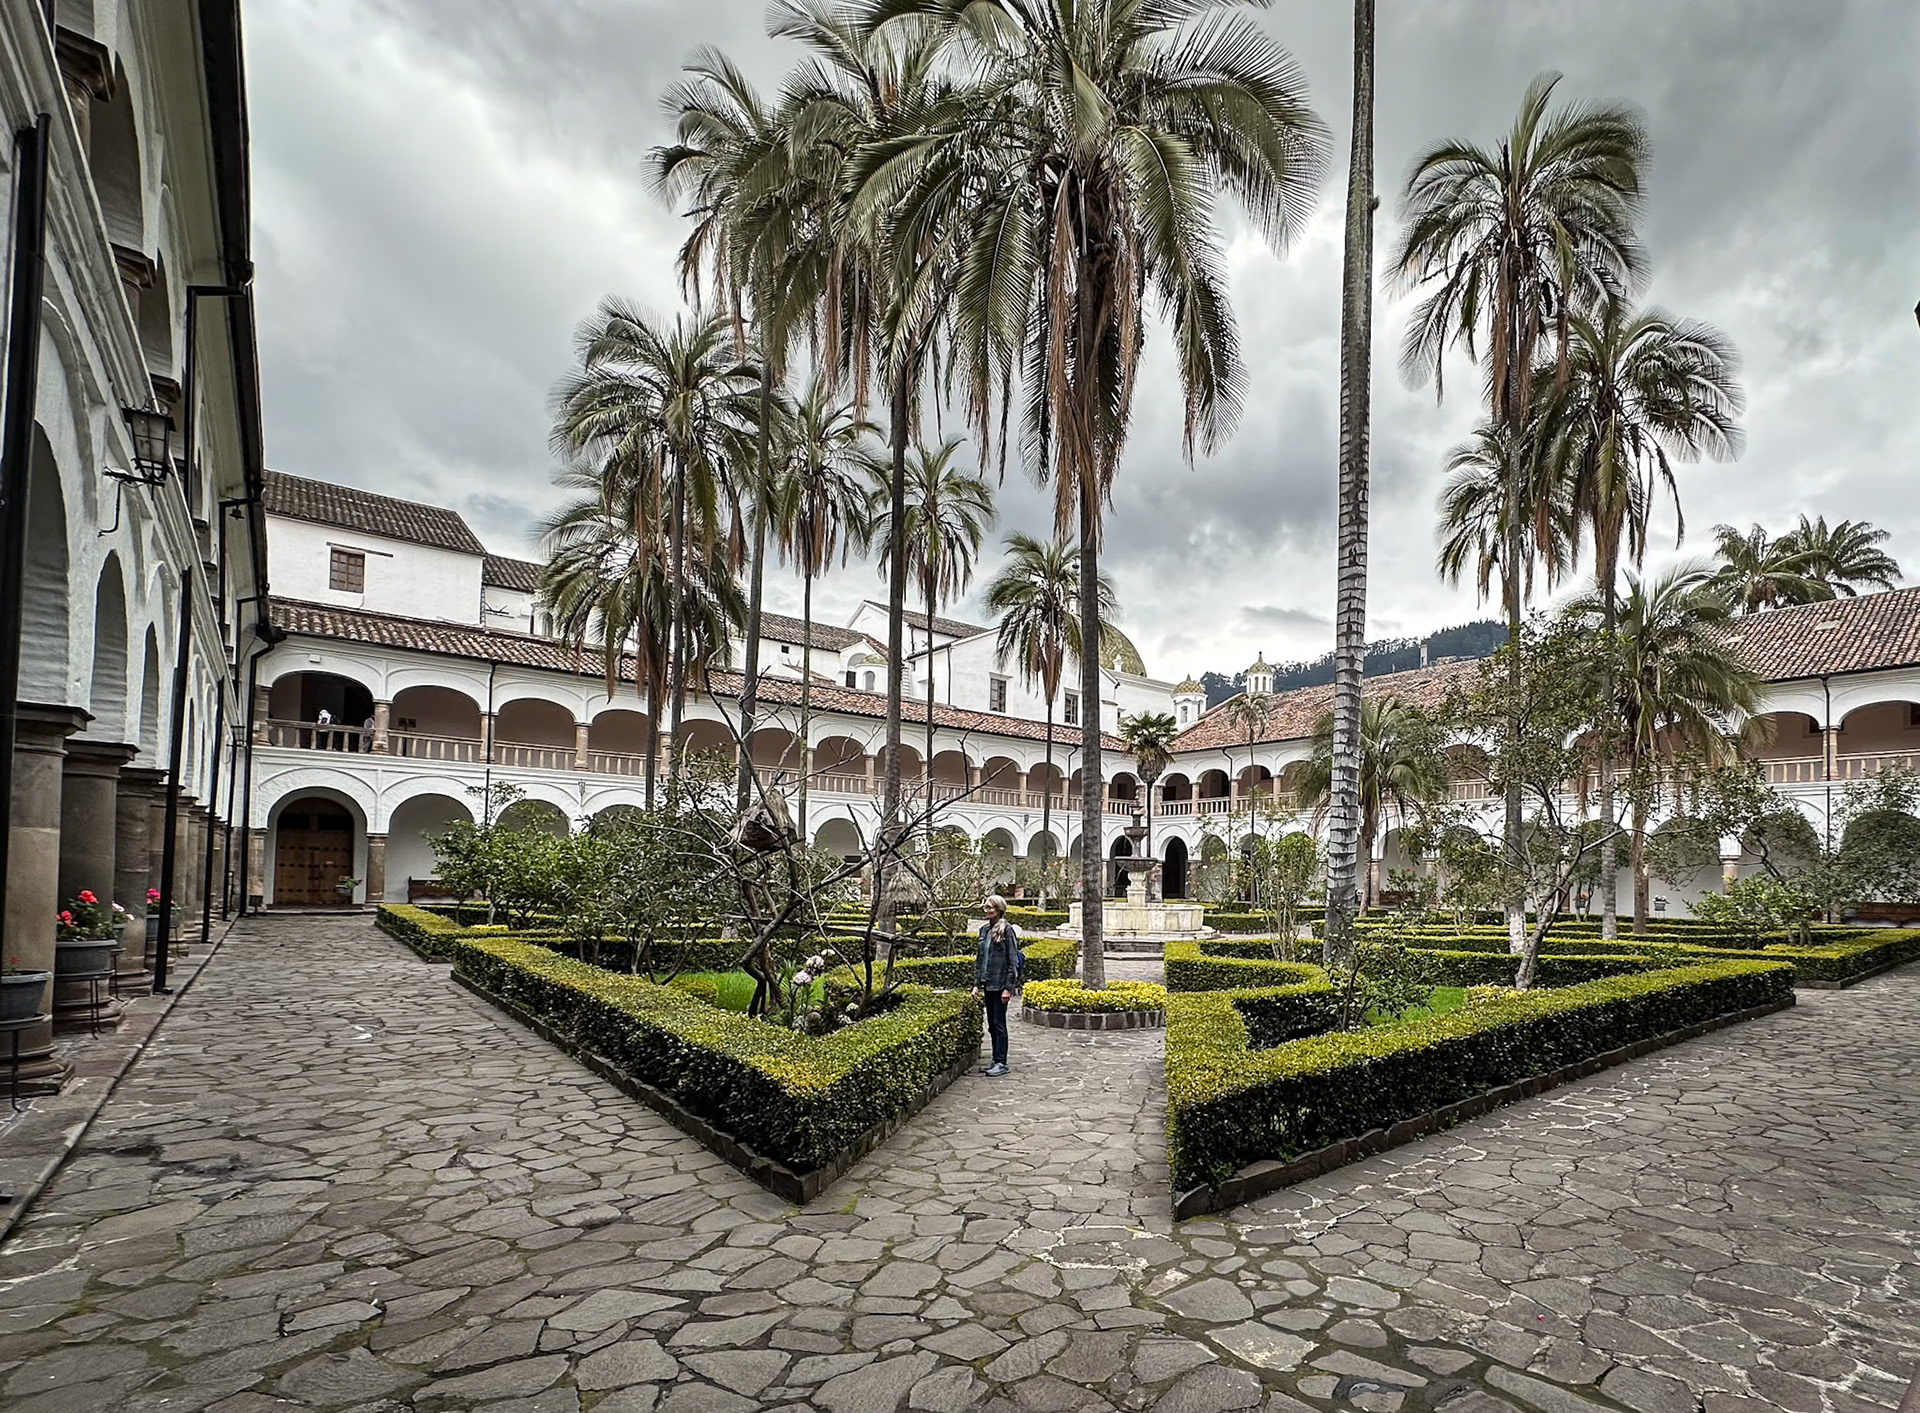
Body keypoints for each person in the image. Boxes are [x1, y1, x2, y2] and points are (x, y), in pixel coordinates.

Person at [972, 894, 1023, 1077]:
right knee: (992, 1025)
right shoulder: (984, 930)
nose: (987, 911)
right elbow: (980, 960)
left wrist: (1008, 988)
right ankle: (995, 1059)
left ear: (999, 909)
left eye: (990, 907)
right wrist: (976, 984)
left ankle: (1002, 1062)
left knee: (999, 1024)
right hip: (988, 983)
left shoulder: (1007, 930)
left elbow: (1012, 961)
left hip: (1000, 985)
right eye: (985, 907)